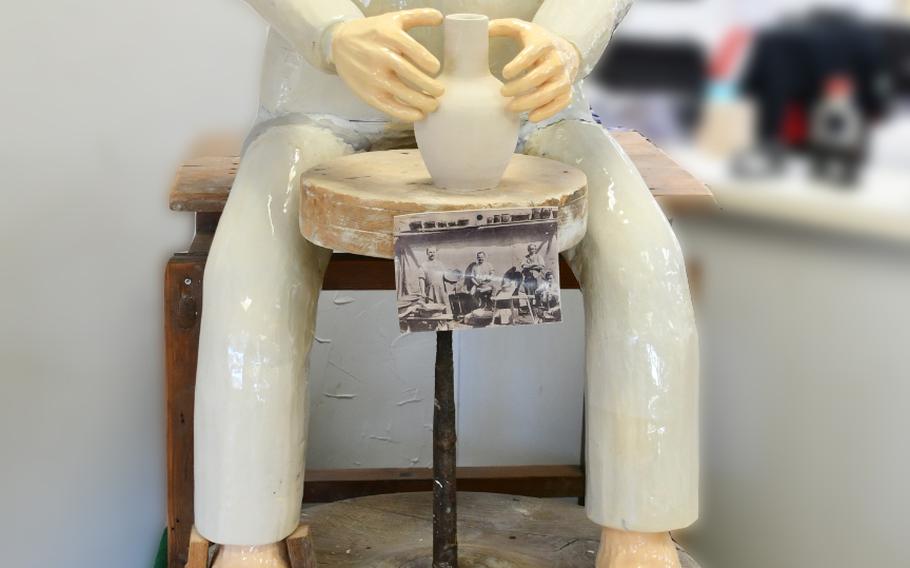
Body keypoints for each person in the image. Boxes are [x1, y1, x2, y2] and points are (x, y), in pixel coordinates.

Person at [194, 2, 698, 567]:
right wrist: (329, 34)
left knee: (643, 260)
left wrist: (567, 41)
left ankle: (641, 536)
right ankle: (246, 541)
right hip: (325, 103)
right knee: (250, 271)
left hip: (526, 108)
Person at [417, 246, 451, 311]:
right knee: (431, 308)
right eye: (430, 252)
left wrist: (452, 280)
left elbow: (446, 276)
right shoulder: (423, 265)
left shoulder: (440, 264)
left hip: (441, 290)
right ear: (427, 253)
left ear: (436, 253)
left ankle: (444, 320)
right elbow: (421, 279)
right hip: (430, 290)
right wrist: (422, 292)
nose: (432, 254)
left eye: (434, 252)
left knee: (443, 306)